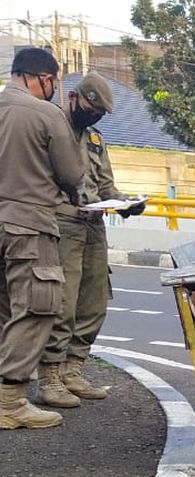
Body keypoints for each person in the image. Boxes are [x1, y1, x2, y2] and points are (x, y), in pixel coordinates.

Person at [36, 72, 146, 409]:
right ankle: (50, 377)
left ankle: (73, 369)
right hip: (64, 224)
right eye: (90, 108)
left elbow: (106, 187)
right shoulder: (51, 133)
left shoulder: (95, 141)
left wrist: (127, 203)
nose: (93, 116)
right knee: (63, 304)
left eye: (99, 113)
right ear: (74, 98)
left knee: (93, 303)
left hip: (95, 227)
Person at [0, 48, 85, 431]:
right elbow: (71, 174)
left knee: (4, 310)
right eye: (54, 80)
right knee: (36, 308)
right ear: (42, 77)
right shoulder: (45, 114)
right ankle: (10, 401)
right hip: (28, 224)